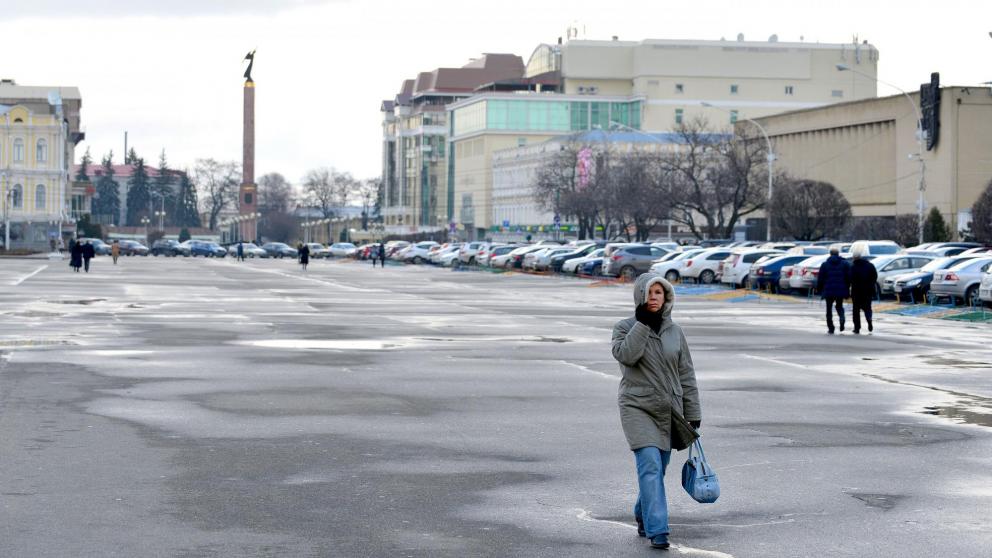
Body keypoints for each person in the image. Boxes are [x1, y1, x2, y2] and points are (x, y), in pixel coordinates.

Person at [612, 273, 701, 551]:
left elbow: (686, 372)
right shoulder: (625, 327)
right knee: (649, 464)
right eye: (649, 293)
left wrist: (692, 409)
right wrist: (642, 324)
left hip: (669, 409)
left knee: (658, 469)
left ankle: (643, 512)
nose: (653, 298)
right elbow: (626, 356)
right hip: (637, 406)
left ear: (667, 298)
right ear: (640, 295)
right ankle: (658, 530)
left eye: (659, 294)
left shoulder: (675, 332)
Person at [816, 247, 852, 334]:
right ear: (838, 254)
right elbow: (849, 277)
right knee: (839, 305)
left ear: (830, 254)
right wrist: (847, 287)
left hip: (828, 290)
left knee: (828, 309)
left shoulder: (825, 264)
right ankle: (841, 316)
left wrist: (819, 288)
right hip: (841, 289)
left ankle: (831, 328)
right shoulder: (845, 264)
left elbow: (820, 278)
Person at [849, 242, 878, 334]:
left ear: (854, 258)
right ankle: (869, 320)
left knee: (856, 310)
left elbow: (850, 279)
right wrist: (871, 285)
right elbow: (875, 276)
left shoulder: (853, 267)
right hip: (868, 291)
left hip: (856, 291)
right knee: (867, 307)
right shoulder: (870, 265)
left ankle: (857, 327)